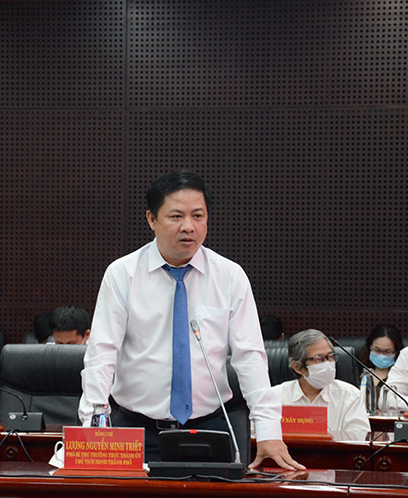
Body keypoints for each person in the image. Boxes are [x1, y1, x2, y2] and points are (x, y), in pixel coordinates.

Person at [79, 170, 303, 470]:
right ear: (151, 220)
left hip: (209, 429)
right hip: (134, 429)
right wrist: (95, 426)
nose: (189, 227)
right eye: (176, 217)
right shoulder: (123, 274)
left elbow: (250, 358)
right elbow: (102, 354)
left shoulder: (229, 276)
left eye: (198, 216)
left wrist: (268, 431)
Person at [272, 329, 370, 441]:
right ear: (298, 367)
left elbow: (359, 440)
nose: (327, 364)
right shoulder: (275, 397)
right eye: (318, 359)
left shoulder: (350, 396)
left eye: (330, 357)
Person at [358, 324, 404, 404]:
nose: (382, 355)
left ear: (396, 352)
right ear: (370, 348)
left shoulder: (401, 376)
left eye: (388, 352)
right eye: (377, 350)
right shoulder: (357, 371)